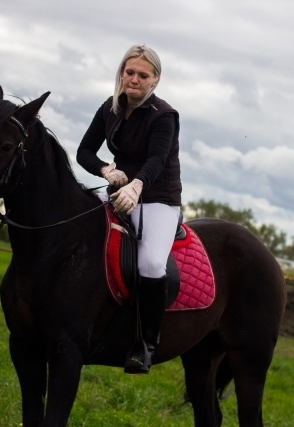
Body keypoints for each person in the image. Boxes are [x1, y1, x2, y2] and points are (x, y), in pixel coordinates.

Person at [77, 44, 181, 375]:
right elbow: (84, 151)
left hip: (158, 197)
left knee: (151, 263)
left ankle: (146, 344)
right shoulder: (109, 108)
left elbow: (157, 159)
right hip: (119, 191)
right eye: (130, 72)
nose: (134, 79)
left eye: (143, 75)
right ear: (122, 73)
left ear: (155, 80)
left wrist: (136, 186)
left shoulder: (164, 115)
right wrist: (107, 170)